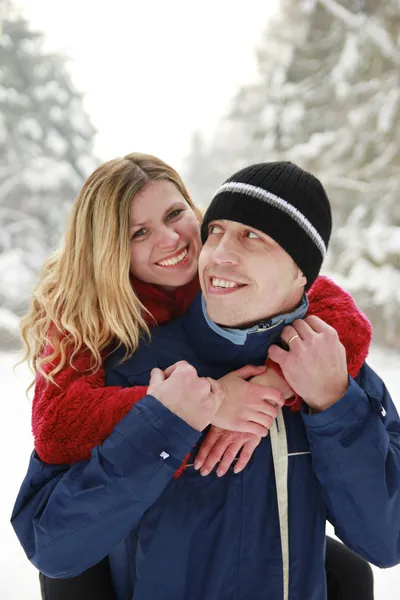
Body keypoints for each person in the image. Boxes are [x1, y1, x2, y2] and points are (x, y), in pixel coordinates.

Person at [11, 161, 388, 599]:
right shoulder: (91, 331)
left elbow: (330, 306)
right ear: (108, 252)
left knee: (348, 573)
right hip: (128, 539)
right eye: (139, 233)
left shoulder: (235, 275)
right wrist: (194, 405)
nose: (172, 240)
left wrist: (286, 379)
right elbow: (59, 427)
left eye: (175, 216)